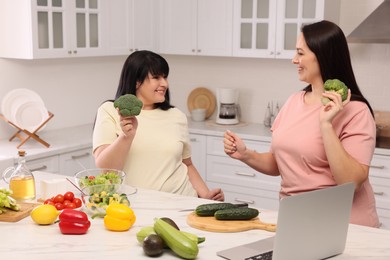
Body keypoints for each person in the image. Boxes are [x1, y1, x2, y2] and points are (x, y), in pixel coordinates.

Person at [223, 20, 379, 227]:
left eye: (301, 53)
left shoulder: (355, 110)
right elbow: (281, 163)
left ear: (323, 56)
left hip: (345, 226)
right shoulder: (294, 101)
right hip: (297, 220)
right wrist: (245, 154)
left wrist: (326, 125)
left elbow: (351, 182)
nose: (294, 60)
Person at [93, 50, 224, 201]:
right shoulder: (110, 110)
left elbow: (186, 164)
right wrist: (126, 136)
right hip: (134, 205)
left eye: (165, 77)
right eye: (156, 77)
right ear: (136, 81)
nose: (165, 84)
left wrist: (206, 195)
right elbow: (107, 170)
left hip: (183, 202)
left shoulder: (177, 116)